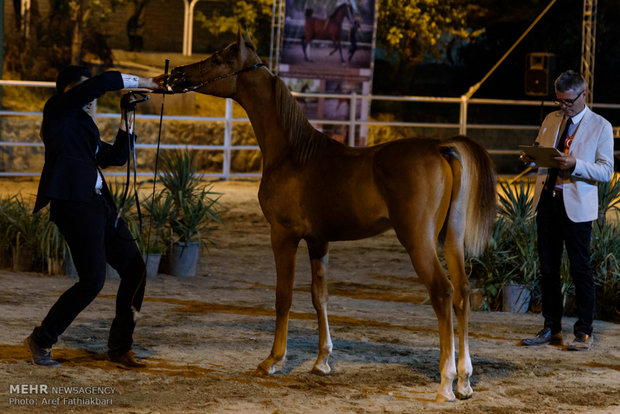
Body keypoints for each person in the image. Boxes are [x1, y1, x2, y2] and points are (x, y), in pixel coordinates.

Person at [24, 65, 163, 367]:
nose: (92, 98)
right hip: (74, 206)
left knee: (136, 270)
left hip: (99, 207)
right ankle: (41, 339)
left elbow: (116, 157)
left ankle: (120, 347)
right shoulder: (57, 111)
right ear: (68, 92)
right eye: (85, 91)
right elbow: (102, 84)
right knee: (92, 281)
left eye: (92, 93)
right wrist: (147, 83)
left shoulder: (85, 127)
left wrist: (126, 117)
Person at [520, 70, 614, 351]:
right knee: (548, 268)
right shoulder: (551, 119)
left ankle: (584, 331)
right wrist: (531, 157)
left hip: (576, 206)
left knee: (579, 269)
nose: (563, 107)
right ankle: (551, 328)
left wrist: (574, 164)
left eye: (569, 102)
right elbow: (542, 150)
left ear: (584, 95)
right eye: (559, 101)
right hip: (547, 201)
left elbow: (606, 170)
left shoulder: (601, 126)